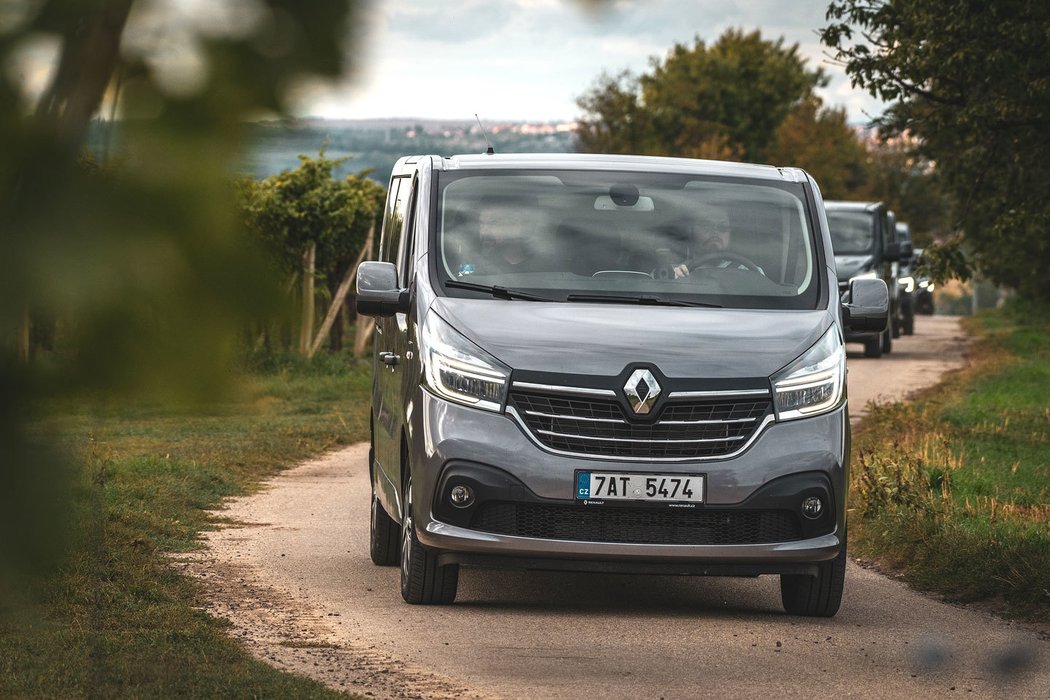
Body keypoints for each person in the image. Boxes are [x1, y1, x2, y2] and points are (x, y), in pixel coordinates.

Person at [672, 204, 763, 278]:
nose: (715, 232)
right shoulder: (676, 272)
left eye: (722, 227)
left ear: (730, 234)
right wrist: (674, 282)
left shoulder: (751, 272)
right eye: (706, 226)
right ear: (691, 232)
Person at [458, 200, 540, 276]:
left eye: (493, 223)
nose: (484, 232)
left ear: (517, 226)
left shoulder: (543, 268)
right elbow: (460, 280)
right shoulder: (474, 264)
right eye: (481, 224)